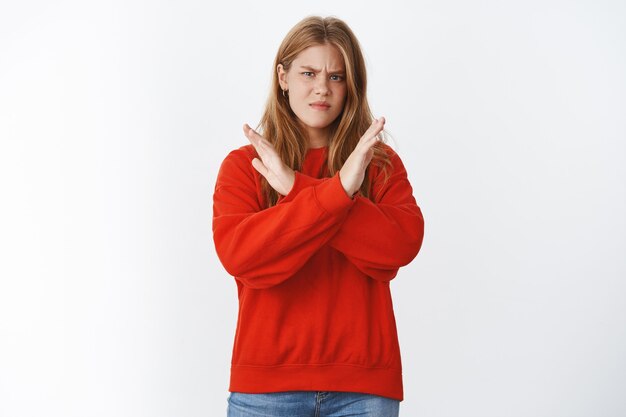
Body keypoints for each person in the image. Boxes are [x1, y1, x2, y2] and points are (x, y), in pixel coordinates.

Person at [212, 15, 424, 417]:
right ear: (283, 77)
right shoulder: (246, 166)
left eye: (337, 76)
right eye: (308, 73)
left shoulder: (378, 164)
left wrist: (297, 188)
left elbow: (400, 245)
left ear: (351, 86)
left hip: (363, 387)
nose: (322, 88)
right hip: (266, 388)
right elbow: (240, 255)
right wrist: (338, 192)